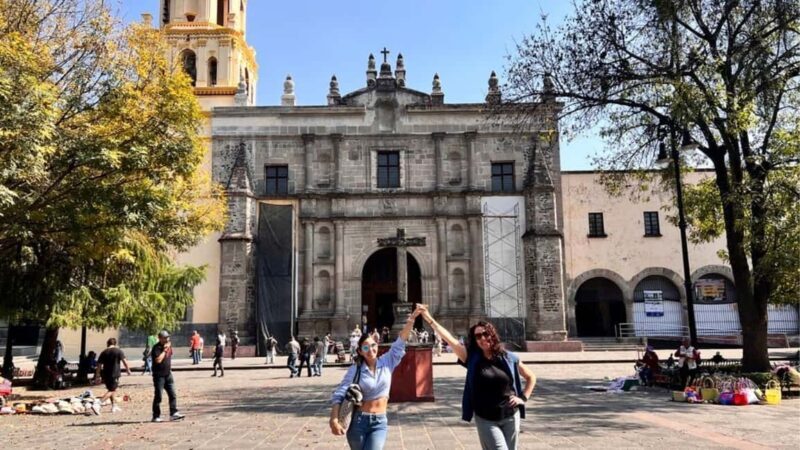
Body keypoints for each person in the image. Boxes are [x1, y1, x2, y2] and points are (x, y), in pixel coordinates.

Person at [418, 305, 535, 450]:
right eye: (478, 336)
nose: (482, 338)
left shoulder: (508, 357)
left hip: (510, 416)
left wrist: (523, 398)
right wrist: (428, 318)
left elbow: (531, 377)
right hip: (485, 418)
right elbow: (449, 339)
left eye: (485, 334)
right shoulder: (472, 358)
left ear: (492, 335)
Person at [330, 306, 423, 449]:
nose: (370, 350)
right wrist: (334, 420)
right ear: (360, 351)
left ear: (377, 345)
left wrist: (412, 318)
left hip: (379, 422)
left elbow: (401, 340)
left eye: (373, 345)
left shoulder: (387, 361)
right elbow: (340, 394)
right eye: (365, 348)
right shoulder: (355, 370)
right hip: (358, 423)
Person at [151, 330, 185, 423]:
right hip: (159, 376)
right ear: (160, 338)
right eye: (165, 338)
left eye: (168, 337)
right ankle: (155, 416)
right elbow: (158, 360)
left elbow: (169, 357)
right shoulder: (156, 348)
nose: (167, 339)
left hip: (168, 374)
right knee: (158, 396)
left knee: (172, 394)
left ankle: (173, 413)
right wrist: (165, 350)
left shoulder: (169, 346)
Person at [96, 338, 131, 414]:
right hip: (115, 373)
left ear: (107, 344)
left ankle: (114, 406)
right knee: (112, 390)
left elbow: (99, 365)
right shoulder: (118, 351)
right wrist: (128, 369)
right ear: (115, 344)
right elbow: (125, 362)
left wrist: (97, 375)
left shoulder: (104, 352)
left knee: (111, 389)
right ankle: (98, 403)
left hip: (105, 374)